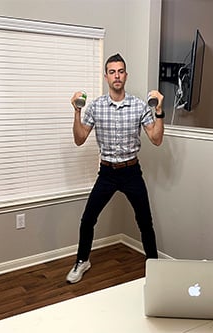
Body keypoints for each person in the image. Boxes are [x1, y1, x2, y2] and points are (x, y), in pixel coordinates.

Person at [66, 53, 164, 283]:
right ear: (106, 77)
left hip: (131, 172)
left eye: (120, 71)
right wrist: (77, 111)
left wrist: (159, 109)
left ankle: (156, 267)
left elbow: (156, 139)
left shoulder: (140, 106)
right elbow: (79, 139)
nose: (117, 75)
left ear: (126, 75)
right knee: (88, 219)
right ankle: (82, 261)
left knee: (145, 222)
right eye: (112, 72)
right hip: (107, 173)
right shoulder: (96, 106)